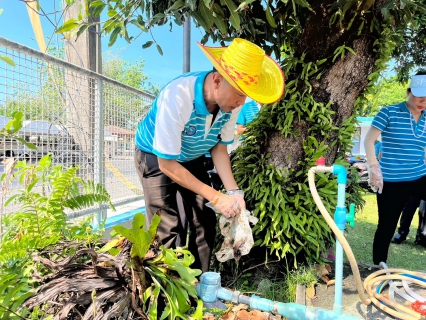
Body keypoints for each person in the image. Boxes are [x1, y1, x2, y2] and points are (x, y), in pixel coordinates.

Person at [134, 38, 285, 272]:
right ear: (217, 80)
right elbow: (167, 164)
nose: (241, 103)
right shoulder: (178, 96)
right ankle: (169, 294)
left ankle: (201, 284)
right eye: (239, 94)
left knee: (204, 219)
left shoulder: (230, 105)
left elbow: (219, 148)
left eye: (245, 96)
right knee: (166, 225)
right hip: (156, 157)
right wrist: (217, 197)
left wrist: (233, 193)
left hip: (191, 156)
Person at [364, 70, 426, 265]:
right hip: (391, 180)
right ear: (409, 91)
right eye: (419, 94)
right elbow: (369, 140)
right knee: (386, 226)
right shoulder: (389, 112)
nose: (423, 100)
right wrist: (374, 167)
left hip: (419, 176)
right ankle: (378, 266)